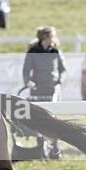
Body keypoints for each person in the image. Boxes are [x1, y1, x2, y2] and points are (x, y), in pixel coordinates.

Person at [22, 26, 66, 159]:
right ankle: (41, 147)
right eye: (50, 37)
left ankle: (55, 148)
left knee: (55, 119)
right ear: (44, 38)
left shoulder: (56, 51)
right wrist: (28, 82)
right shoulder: (32, 51)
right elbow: (26, 70)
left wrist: (59, 81)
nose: (52, 40)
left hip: (53, 89)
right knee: (40, 118)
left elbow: (62, 69)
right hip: (38, 88)